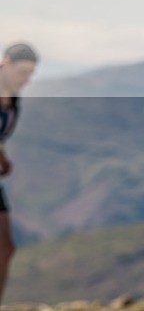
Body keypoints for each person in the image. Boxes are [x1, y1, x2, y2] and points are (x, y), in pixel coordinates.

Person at [0, 42, 38, 303]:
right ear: (6, 64)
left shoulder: (13, 101)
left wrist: (3, 159)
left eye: (30, 74)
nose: (26, 79)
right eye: (22, 72)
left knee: (5, 249)